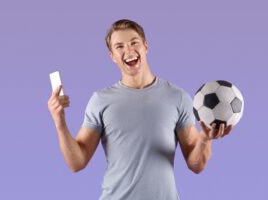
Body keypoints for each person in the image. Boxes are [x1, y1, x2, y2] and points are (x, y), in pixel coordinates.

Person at [48, 19, 232, 200]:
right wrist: (60, 122)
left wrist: (205, 139)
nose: (128, 50)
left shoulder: (177, 97)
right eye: (119, 46)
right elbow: (77, 162)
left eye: (134, 43)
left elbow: (196, 165)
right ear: (112, 56)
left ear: (145, 47)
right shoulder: (100, 101)